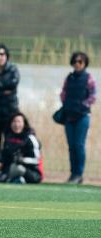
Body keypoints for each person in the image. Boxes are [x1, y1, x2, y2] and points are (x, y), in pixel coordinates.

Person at [60, 52, 96, 184]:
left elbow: (93, 96)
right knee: (71, 146)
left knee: (79, 145)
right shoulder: (69, 78)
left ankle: (79, 174)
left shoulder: (89, 78)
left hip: (82, 116)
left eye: (80, 62)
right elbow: (63, 93)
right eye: (75, 61)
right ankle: (72, 173)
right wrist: (67, 105)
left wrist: (82, 105)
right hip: (69, 116)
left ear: (85, 63)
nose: (77, 64)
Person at [0, 112, 42, 184]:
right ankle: (8, 178)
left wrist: (22, 160)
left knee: (17, 168)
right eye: (14, 122)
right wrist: (0, 161)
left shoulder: (30, 138)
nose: (16, 124)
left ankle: (3, 178)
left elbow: (36, 160)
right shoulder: (9, 137)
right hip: (9, 168)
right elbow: (4, 153)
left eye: (19, 122)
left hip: (28, 170)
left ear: (24, 123)